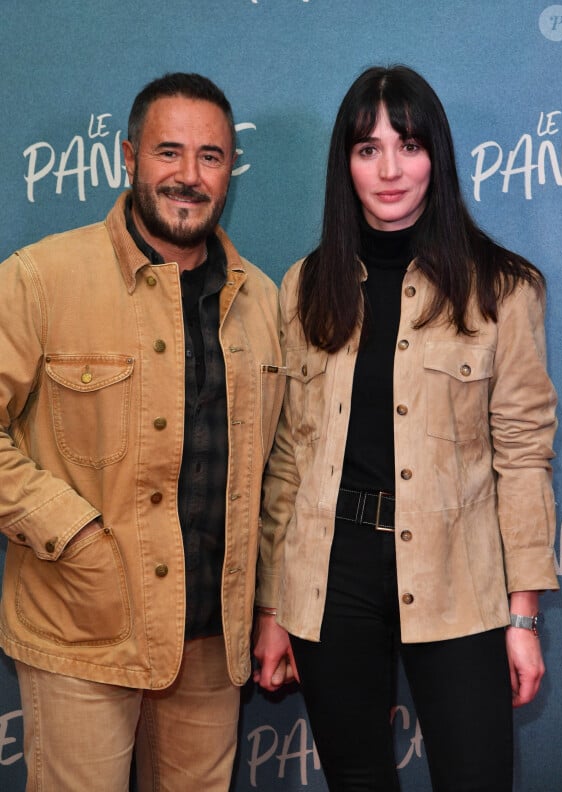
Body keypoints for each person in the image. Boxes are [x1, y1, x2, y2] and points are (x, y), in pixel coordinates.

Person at [253, 65, 559, 792]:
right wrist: (274, 605)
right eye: (367, 149)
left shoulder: (505, 288)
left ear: (437, 157)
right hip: (331, 578)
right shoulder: (305, 286)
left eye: (409, 144)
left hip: (460, 575)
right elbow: (291, 457)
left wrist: (524, 619)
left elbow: (523, 457)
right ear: (345, 165)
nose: (390, 169)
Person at [0, 72, 285, 791]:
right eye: (169, 152)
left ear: (230, 170)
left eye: (211, 157)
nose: (189, 177)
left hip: (213, 648)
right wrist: (75, 534)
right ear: (128, 156)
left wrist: (273, 602)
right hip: (82, 631)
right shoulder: (41, 278)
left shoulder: (262, 302)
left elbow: (281, 468)